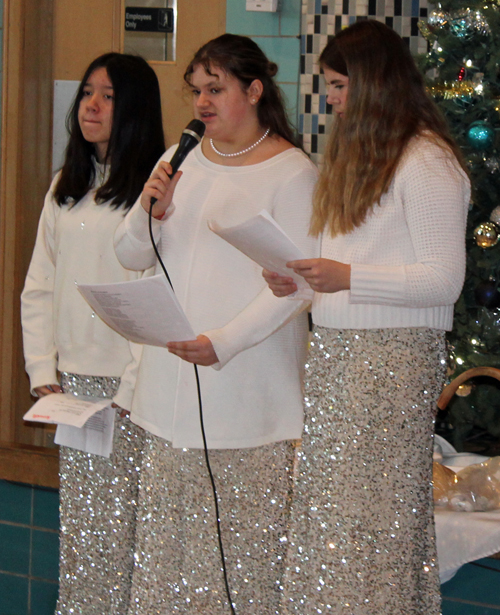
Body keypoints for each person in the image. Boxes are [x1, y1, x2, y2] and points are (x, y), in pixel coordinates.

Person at [263, 20, 470, 615]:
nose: (329, 98)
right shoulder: (361, 156)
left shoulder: (427, 161)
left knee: (370, 520)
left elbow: (442, 279)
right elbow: (347, 268)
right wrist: (300, 285)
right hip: (338, 357)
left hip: (391, 361)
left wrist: (349, 278)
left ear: (373, 84)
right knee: (333, 519)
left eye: (338, 85)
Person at [113, 33, 318, 615]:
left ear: (253, 91)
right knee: (167, 560)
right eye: (196, 90)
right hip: (166, 391)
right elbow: (129, 255)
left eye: (216, 88)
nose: (201, 102)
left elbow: (297, 286)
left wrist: (223, 342)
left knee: (237, 566)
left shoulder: (292, 172)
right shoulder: (176, 160)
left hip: (247, 391)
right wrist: (151, 211)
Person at [21, 52, 165, 614]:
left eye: (106, 96)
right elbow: (40, 283)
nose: (92, 106)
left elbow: (155, 295)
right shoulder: (67, 183)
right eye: (86, 93)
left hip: (126, 391)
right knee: (84, 530)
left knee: (122, 531)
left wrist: (129, 389)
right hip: (71, 389)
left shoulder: (151, 191)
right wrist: (43, 373)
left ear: (132, 109)